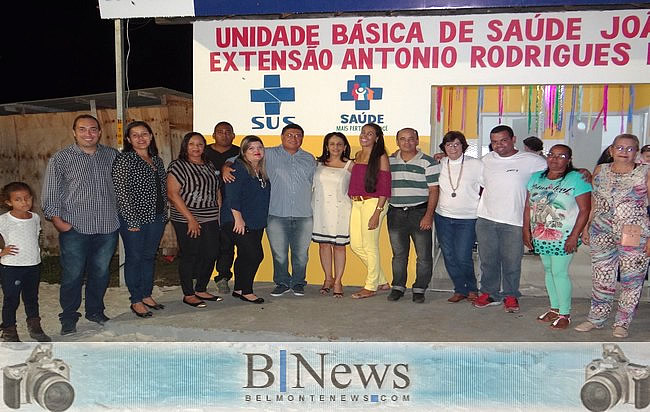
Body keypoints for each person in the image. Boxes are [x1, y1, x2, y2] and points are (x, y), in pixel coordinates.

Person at [42, 114, 119, 335]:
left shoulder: (112, 156)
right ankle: (68, 318)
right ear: (74, 132)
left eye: (93, 129)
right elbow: (50, 192)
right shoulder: (61, 158)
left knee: (101, 272)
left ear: (99, 132)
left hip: (107, 226)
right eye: (83, 129)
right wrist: (57, 221)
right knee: (72, 274)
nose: (88, 133)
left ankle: (95, 311)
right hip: (75, 226)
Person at [575, 134, 650, 338]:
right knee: (602, 277)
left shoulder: (645, 172)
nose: (624, 152)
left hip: (634, 234)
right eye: (619, 148)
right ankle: (596, 318)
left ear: (636, 152)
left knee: (631, 279)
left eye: (629, 149)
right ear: (611, 150)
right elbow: (595, 202)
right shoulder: (601, 170)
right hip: (601, 231)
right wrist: (586, 227)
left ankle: (622, 322)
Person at [473, 125, 548, 313]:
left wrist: (580, 172)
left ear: (513, 139)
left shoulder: (531, 160)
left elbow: (556, 168)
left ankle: (510, 295)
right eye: (494, 142)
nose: (499, 145)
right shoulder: (487, 160)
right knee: (488, 260)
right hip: (486, 219)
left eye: (503, 140)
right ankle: (490, 293)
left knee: (511, 261)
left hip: (514, 221)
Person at [523, 144, 592, 329]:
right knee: (548, 270)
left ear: (569, 159)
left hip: (564, 235)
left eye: (561, 156)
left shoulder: (577, 178)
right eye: (551, 155)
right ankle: (554, 308)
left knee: (560, 272)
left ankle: (564, 313)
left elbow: (585, 210)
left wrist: (574, 236)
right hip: (540, 233)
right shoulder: (536, 178)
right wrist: (526, 230)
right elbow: (528, 206)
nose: (555, 159)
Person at [112, 121, 167, 318]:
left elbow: (162, 189)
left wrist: (164, 213)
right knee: (134, 259)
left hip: (157, 217)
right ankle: (135, 299)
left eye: (144, 134)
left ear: (151, 136)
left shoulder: (157, 160)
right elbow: (121, 192)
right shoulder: (125, 159)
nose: (140, 138)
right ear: (128, 139)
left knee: (148, 257)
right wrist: (131, 220)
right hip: (134, 219)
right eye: (135, 135)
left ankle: (146, 294)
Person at [167, 132, 222, 308]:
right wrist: (191, 219)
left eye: (200, 144)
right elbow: (172, 194)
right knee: (190, 254)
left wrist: (218, 212)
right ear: (185, 146)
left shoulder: (209, 164)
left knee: (212, 252)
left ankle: (201, 288)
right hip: (186, 217)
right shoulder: (178, 166)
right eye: (192, 144)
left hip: (210, 216)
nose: (196, 148)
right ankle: (188, 293)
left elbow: (217, 189)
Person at [386, 127, 439, 303]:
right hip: (395, 213)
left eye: (411, 139)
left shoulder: (428, 162)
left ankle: (419, 288)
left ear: (417, 141)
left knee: (423, 255)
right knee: (399, 254)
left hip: (419, 212)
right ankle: (398, 287)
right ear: (397, 141)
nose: (407, 142)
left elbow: (433, 190)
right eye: (402, 139)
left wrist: (428, 216)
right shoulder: (389, 161)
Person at [265, 124, 316, 297]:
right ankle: (281, 282)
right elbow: (242, 157)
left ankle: (298, 282)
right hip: (276, 214)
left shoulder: (309, 158)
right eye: (290, 134)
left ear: (302, 138)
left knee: (301, 254)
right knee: (279, 253)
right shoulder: (268, 154)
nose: (294, 138)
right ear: (281, 136)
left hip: (304, 214)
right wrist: (227, 165)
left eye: (298, 135)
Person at [435, 131, 483, 303]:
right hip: (443, 217)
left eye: (456, 144)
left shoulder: (476, 164)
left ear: (463, 146)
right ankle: (459, 289)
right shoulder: (439, 163)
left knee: (463, 255)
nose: (453, 148)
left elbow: (487, 187)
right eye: (449, 145)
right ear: (443, 148)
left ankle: (471, 288)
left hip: (468, 218)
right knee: (448, 255)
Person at [222, 136, 271, 304]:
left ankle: (239, 288)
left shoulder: (261, 170)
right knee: (255, 255)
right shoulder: (238, 168)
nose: (256, 150)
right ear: (243, 152)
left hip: (256, 220)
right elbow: (232, 196)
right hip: (238, 220)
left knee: (244, 255)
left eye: (259, 147)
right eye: (251, 148)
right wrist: (238, 219)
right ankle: (247, 291)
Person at [0, 182, 51, 342]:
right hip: (12, 266)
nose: (24, 202)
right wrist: (1, 252)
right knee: (11, 299)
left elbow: (35, 237)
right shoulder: (4, 220)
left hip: (33, 265)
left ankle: (35, 327)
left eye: (27, 198)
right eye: (18, 199)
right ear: (9, 202)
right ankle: (9, 331)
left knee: (31, 298)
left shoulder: (35, 217)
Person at [348, 123, 391, 299]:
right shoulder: (358, 155)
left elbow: (385, 188)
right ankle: (381, 280)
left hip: (374, 203)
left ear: (377, 138)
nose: (364, 136)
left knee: (370, 245)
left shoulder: (380, 156)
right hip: (357, 203)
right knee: (356, 245)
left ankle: (370, 286)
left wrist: (377, 212)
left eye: (370, 133)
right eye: (363, 132)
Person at [312, 132, 353, 298]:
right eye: (332, 144)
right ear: (326, 146)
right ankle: (328, 278)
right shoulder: (317, 163)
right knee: (323, 245)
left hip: (341, 210)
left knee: (339, 246)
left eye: (339, 144)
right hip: (319, 208)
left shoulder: (351, 165)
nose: (335, 147)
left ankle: (338, 281)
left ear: (344, 147)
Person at [205, 121, 240, 294]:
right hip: (205, 205)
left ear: (233, 135)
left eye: (228, 132)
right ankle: (198, 277)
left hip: (231, 206)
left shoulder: (239, 152)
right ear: (213, 135)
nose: (224, 135)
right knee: (206, 243)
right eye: (220, 132)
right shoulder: (203, 152)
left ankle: (223, 277)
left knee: (227, 244)